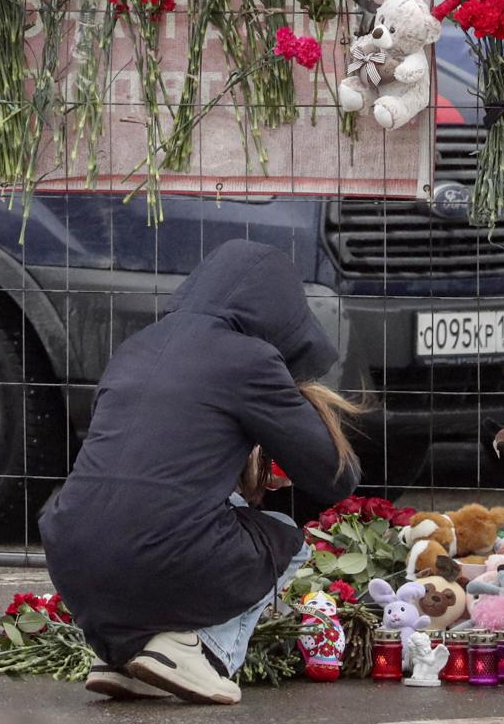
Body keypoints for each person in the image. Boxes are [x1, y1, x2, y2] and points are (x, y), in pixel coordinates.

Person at [39, 239, 362, 707]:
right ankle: (203, 654)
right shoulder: (248, 358)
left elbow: (150, 463)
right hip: (157, 554)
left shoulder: (135, 347)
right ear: (279, 312)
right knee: (286, 538)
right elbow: (338, 477)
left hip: (68, 554)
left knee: (181, 516)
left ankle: (124, 657)